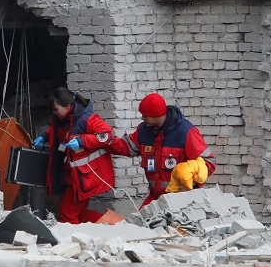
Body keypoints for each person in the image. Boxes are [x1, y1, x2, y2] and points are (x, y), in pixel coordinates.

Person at [107, 92, 216, 207]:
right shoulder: (144, 130)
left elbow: (209, 163)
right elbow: (126, 147)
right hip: (156, 198)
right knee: (139, 222)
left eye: (145, 115)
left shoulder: (185, 132)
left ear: (156, 115)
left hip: (182, 200)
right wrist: (105, 140)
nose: (142, 118)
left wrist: (188, 171)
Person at [32, 88, 116, 224]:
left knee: (67, 215)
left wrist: (82, 141)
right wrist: (45, 136)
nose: (54, 113)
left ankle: (76, 240)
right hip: (77, 177)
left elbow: (106, 136)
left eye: (56, 109)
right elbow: (59, 132)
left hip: (85, 178)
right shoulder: (66, 119)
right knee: (80, 215)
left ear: (67, 106)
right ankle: (116, 225)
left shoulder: (86, 119)